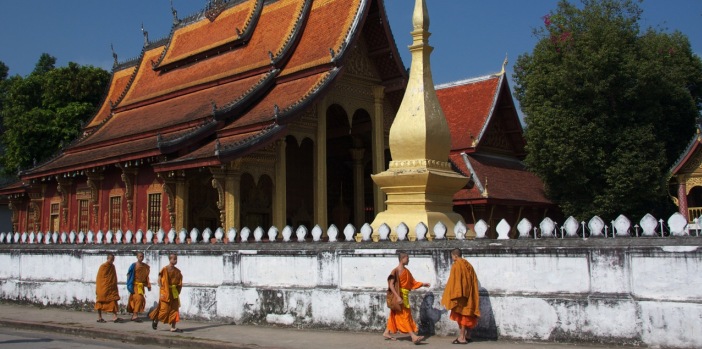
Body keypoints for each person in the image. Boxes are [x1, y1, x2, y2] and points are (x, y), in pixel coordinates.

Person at [383, 252, 430, 344]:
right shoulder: (395, 271)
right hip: (399, 296)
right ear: (402, 259)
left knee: (394, 314)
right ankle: (413, 336)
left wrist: (423, 284)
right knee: (405, 315)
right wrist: (397, 297)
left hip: (404, 295)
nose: (408, 260)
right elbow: (391, 285)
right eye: (407, 258)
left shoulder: (407, 271)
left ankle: (386, 332)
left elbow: (413, 282)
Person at [441, 248, 480, 344]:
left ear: (455, 256)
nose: (452, 258)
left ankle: (462, 337)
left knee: (462, 315)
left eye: (452, 256)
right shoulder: (468, 265)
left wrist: (454, 295)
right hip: (469, 294)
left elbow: (455, 282)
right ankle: (468, 335)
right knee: (468, 314)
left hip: (460, 295)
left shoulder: (457, 265)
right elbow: (474, 281)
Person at [149, 253, 183, 332]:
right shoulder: (164, 269)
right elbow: (159, 279)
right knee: (164, 310)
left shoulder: (177, 271)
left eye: (176, 259)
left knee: (175, 309)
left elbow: (180, 282)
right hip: (165, 292)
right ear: (169, 259)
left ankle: (173, 327)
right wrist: (162, 289)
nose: (175, 260)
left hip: (174, 292)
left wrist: (177, 290)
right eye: (173, 259)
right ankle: (156, 319)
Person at [95, 253, 122, 323]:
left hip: (111, 288)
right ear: (107, 259)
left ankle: (115, 317)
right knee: (100, 301)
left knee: (113, 301)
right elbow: (99, 278)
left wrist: (113, 285)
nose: (112, 261)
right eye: (111, 259)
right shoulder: (103, 266)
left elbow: (113, 277)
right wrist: (100, 288)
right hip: (103, 287)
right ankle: (99, 317)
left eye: (113, 260)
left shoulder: (112, 267)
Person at [126, 252, 151, 322]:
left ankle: (134, 315)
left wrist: (148, 285)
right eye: (140, 256)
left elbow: (146, 277)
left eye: (142, 256)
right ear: (137, 257)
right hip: (135, 285)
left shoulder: (145, 266)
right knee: (138, 298)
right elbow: (129, 275)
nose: (141, 258)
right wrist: (129, 284)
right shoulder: (134, 266)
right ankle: (135, 315)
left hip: (141, 286)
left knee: (140, 299)